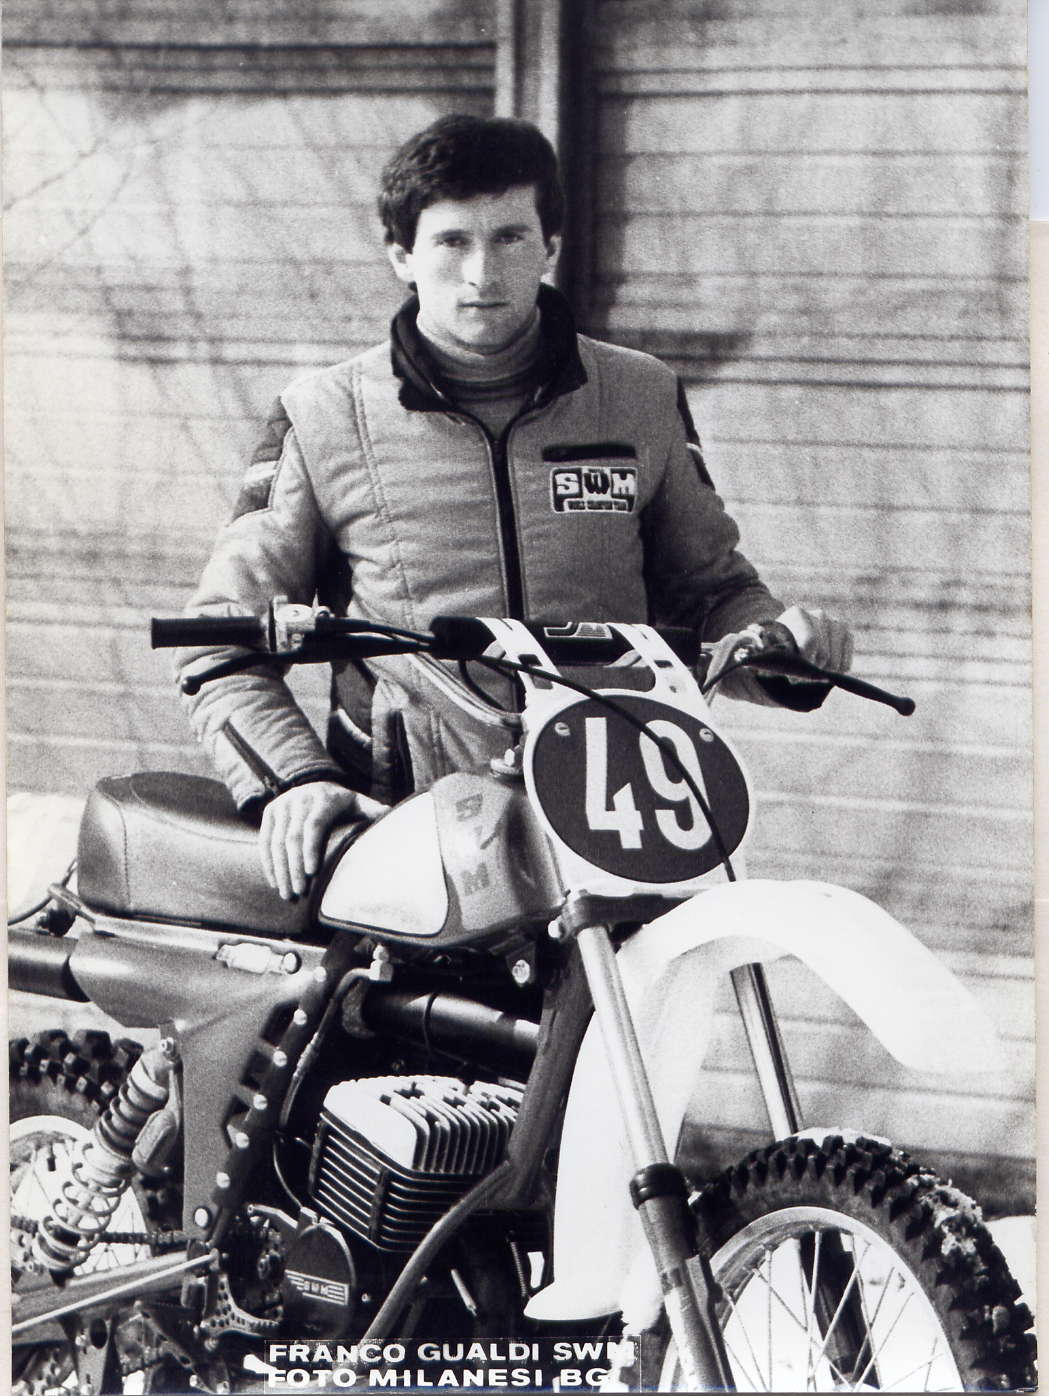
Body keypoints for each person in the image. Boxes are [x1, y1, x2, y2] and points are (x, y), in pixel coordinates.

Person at [177, 114, 852, 901]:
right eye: (451, 241)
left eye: (508, 237)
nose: (481, 272)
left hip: (617, 822)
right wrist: (295, 778)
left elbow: (710, 594)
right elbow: (219, 640)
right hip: (408, 838)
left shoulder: (637, 396)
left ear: (549, 245)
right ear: (401, 254)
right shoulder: (326, 416)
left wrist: (782, 646)